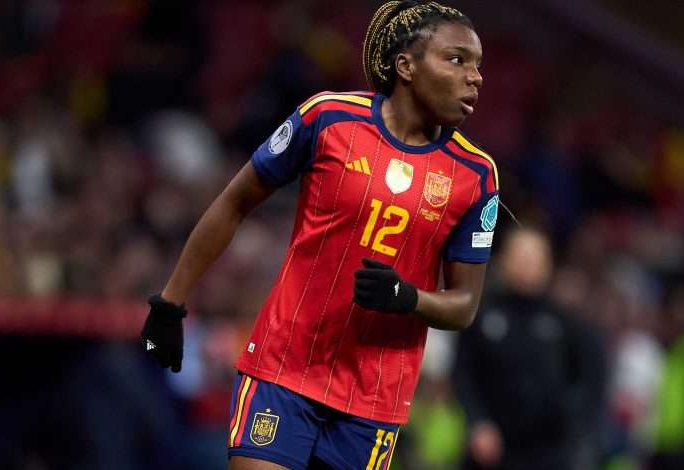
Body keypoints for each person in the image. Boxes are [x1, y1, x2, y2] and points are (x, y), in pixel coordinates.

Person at [140, 1, 499, 469]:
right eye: (457, 59)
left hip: (373, 400)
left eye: (478, 66)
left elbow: (464, 306)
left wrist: (408, 298)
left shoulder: (476, 175)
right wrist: (171, 302)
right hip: (283, 367)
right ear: (406, 66)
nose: (475, 77)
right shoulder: (328, 118)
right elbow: (235, 202)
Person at [454, 228, 608, 470]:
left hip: (549, 451)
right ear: (503, 260)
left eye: (534, 258)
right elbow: (462, 374)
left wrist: (572, 423)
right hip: (493, 449)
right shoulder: (481, 316)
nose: (526, 265)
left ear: (548, 264)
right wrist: (478, 422)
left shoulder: (565, 322)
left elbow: (590, 378)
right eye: (520, 256)